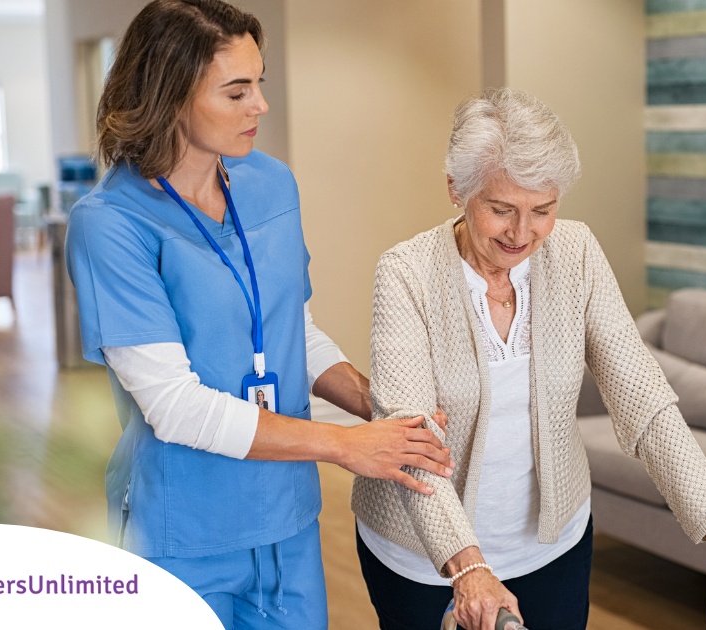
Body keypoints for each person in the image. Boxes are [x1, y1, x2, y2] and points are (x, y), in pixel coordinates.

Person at [65, 2, 453, 628]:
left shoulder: (271, 184)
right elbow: (173, 405)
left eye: (260, 83)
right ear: (169, 96)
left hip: (286, 518)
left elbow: (288, 327)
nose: (260, 106)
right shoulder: (110, 224)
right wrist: (348, 447)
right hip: (184, 529)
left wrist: (377, 408)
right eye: (236, 90)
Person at [350, 88, 706, 630]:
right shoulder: (407, 273)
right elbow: (411, 438)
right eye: (501, 210)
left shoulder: (576, 251)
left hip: (551, 544)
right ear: (456, 189)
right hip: (423, 558)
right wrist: (468, 567)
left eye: (543, 209)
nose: (523, 233)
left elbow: (643, 398)